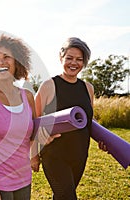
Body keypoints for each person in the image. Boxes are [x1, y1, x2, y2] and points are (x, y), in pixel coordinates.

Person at [0, 34, 59, 200]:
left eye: (6, 57)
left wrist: (44, 137)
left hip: (24, 178)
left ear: (17, 61)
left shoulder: (27, 96)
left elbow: (33, 132)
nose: (1, 62)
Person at [34, 37, 107, 200]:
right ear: (61, 58)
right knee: (67, 197)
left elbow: (89, 121)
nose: (74, 63)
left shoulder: (88, 88)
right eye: (69, 58)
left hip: (80, 154)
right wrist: (33, 154)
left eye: (79, 59)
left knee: (62, 196)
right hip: (54, 155)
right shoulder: (48, 85)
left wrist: (105, 140)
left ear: (84, 62)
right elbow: (33, 121)